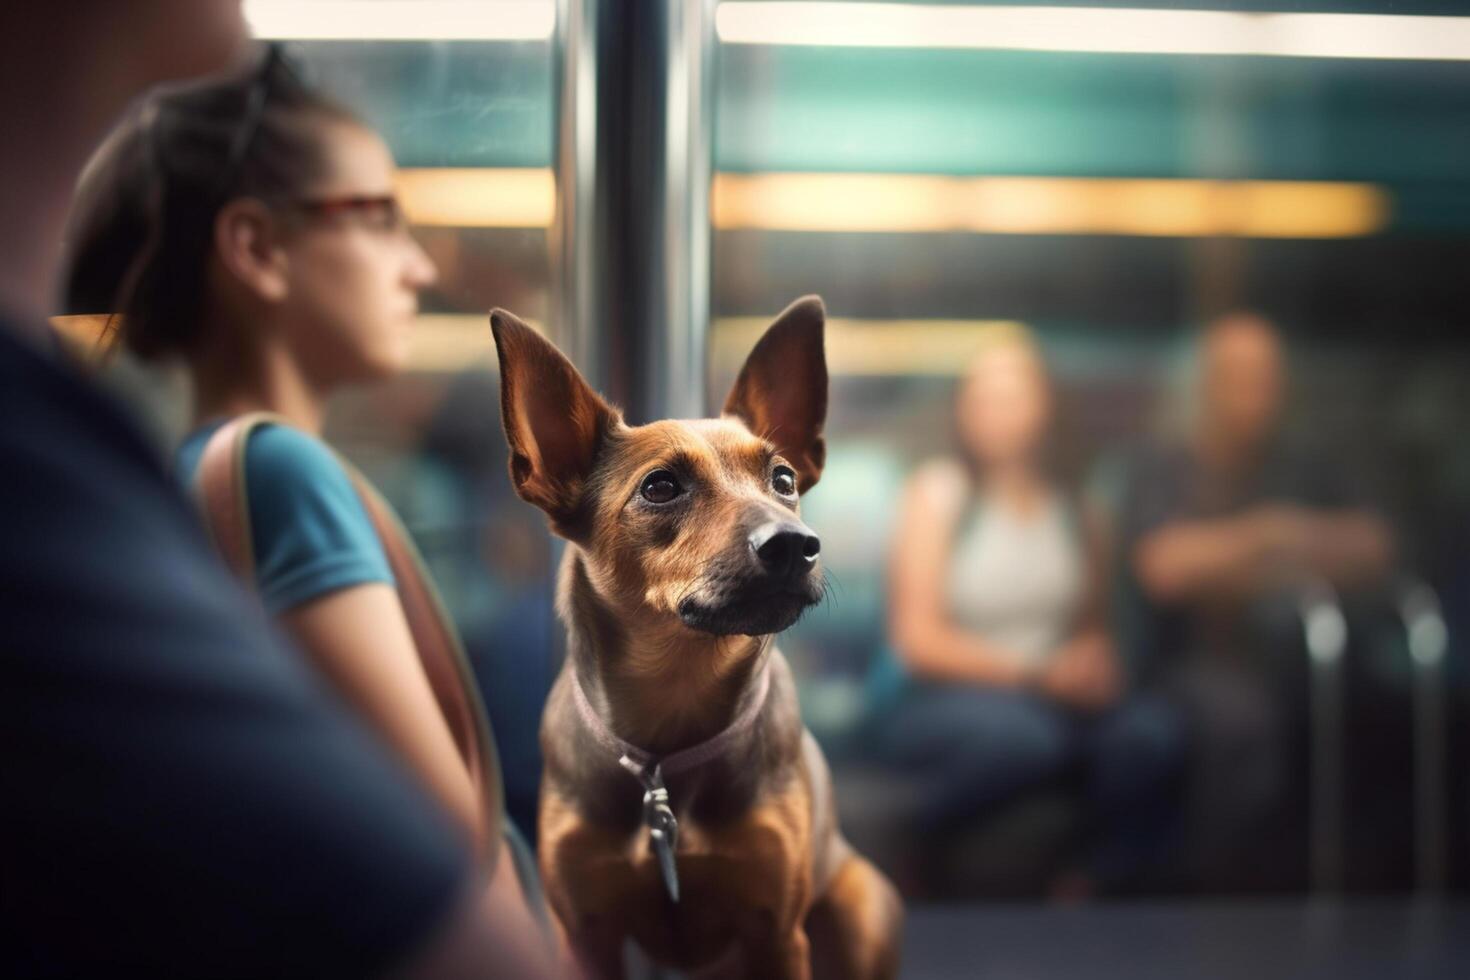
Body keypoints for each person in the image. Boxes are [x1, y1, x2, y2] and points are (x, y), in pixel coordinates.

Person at [0, 4, 556, 976]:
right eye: (379, 217)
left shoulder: (170, 472)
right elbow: (449, 864)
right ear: (255, 248)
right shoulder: (283, 470)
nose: (419, 265)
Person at [873, 325, 1181, 892]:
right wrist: (1037, 676)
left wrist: (1093, 666)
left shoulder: (1080, 510)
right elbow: (917, 641)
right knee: (1026, 740)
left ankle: (1087, 884)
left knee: (1148, 736)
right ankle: (909, 848)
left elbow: (1092, 629)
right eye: (982, 398)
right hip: (950, 694)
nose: (996, 412)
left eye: (1012, 396)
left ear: (1045, 405)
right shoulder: (938, 494)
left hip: (1054, 693)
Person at [1114, 311, 1394, 883]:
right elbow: (1165, 568)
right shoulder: (1161, 464)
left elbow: (1374, 547)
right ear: (1207, 384)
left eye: (1267, 377)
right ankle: (1224, 904)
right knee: (1240, 727)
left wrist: (1249, 557)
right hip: (1185, 664)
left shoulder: (1304, 462)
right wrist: (1270, 537)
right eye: (1239, 376)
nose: (1256, 393)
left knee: (1382, 712)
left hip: (1303, 662)